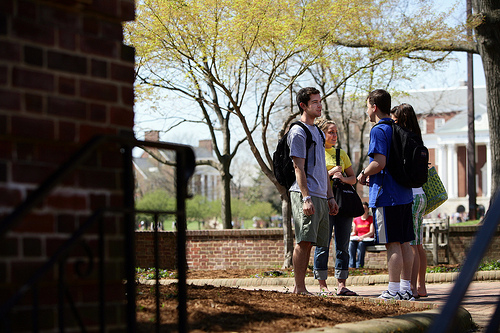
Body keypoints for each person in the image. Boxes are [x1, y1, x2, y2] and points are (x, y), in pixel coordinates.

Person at [357, 89, 415, 301]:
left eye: (367, 106)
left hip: (386, 196)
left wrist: (363, 174)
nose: (366, 110)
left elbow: (379, 163)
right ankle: (406, 289)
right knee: (405, 242)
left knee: (392, 243)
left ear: (374, 106)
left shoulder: (379, 130)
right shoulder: (398, 127)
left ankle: (392, 290)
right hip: (404, 194)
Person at [288, 87, 339, 295]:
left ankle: (301, 287)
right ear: (303, 105)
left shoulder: (318, 131)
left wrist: (330, 196)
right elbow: (298, 167)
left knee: (312, 242)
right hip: (305, 194)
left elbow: (321, 169)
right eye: (315, 102)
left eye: (320, 101)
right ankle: (299, 288)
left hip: (320, 194)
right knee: (303, 240)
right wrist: (306, 197)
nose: (319, 105)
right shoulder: (298, 131)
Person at [312, 118, 358, 296]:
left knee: (343, 245)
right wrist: (330, 173)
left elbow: (352, 178)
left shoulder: (341, 153)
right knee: (322, 244)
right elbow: (314, 178)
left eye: (336, 132)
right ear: (322, 133)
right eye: (330, 132)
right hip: (323, 203)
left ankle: (342, 284)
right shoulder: (316, 152)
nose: (334, 135)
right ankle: (322, 285)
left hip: (343, 205)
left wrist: (342, 178)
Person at [390, 103, 428, 298]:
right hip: (421, 194)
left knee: (410, 244)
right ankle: (421, 286)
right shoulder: (417, 137)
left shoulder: (403, 139)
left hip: (410, 195)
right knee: (418, 244)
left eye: (395, 120)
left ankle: (411, 287)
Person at [349, 202, 374, 268]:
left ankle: (359, 265)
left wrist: (362, 237)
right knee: (351, 244)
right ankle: (351, 265)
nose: (364, 210)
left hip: (368, 239)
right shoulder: (356, 219)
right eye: (362, 209)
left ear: (368, 209)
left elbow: (371, 232)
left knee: (361, 244)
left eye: (365, 209)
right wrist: (352, 235)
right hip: (358, 239)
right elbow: (354, 232)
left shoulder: (371, 219)